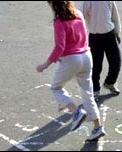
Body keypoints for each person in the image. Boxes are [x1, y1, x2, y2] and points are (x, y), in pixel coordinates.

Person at [36, 1, 105, 141]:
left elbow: (60, 46)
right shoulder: (78, 14)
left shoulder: (59, 21)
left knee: (56, 88)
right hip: (86, 56)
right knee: (88, 94)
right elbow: (85, 37)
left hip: (71, 58)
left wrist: (46, 64)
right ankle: (98, 127)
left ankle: (76, 111)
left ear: (54, 5)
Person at [82, 1, 122, 99]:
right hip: (95, 37)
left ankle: (110, 82)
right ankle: (95, 89)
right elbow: (81, 16)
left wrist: (117, 32)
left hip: (110, 35)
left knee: (116, 62)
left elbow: (115, 16)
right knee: (96, 66)